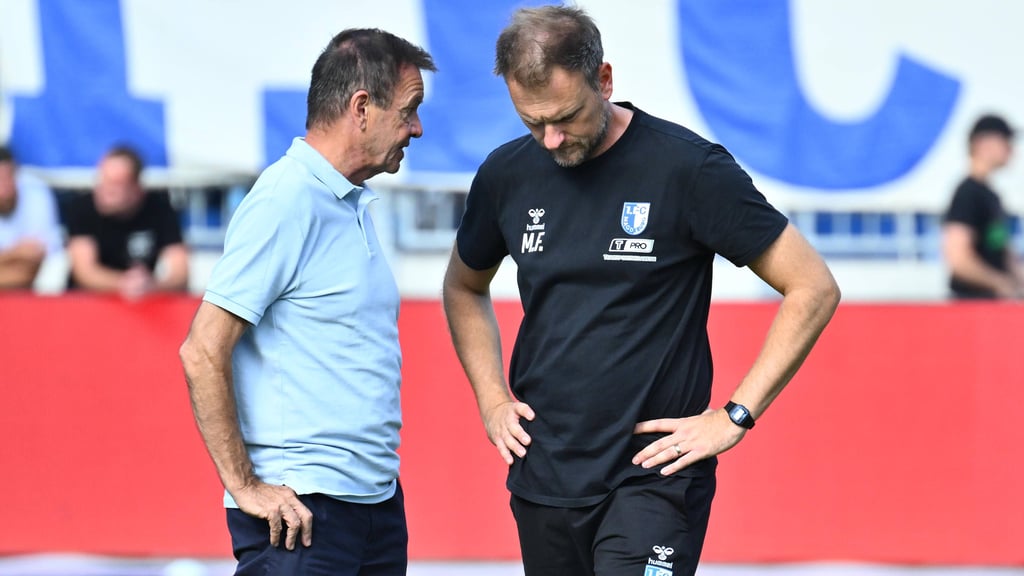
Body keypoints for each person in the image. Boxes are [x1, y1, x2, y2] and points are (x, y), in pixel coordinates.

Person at [441, 6, 841, 576]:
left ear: (604, 80)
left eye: (567, 116)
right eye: (532, 123)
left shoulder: (689, 169)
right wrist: (491, 399)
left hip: (654, 478)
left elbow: (812, 286)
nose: (551, 139)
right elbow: (463, 286)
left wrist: (734, 416)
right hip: (545, 475)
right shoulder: (506, 175)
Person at [178, 29, 435, 576]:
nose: (417, 127)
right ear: (361, 107)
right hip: (302, 514)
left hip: (375, 505)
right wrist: (245, 485)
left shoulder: (350, 201)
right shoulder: (285, 198)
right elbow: (202, 351)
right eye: (409, 110)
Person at [64, 144, 188, 298]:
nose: (105, 190)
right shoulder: (82, 208)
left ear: (137, 189)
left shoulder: (160, 210)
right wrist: (124, 283)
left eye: (116, 184)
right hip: (88, 303)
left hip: (144, 306)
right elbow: (84, 272)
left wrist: (152, 286)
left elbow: (180, 271)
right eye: (103, 180)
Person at [942, 114, 1022, 299]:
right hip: (972, 309)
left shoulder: (991, 196)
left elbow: (1002, 251)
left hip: (992, 307)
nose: (1011, 149)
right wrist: (1000, 282)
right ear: (983, 144)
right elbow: (958, 258)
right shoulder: (967, 193)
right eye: (1006, 141)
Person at [0, 146, 63, 289]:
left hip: (31, 286)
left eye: (8, 177)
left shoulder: (35, 192)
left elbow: (38, 257)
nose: (4, 186)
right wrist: (15, 252)